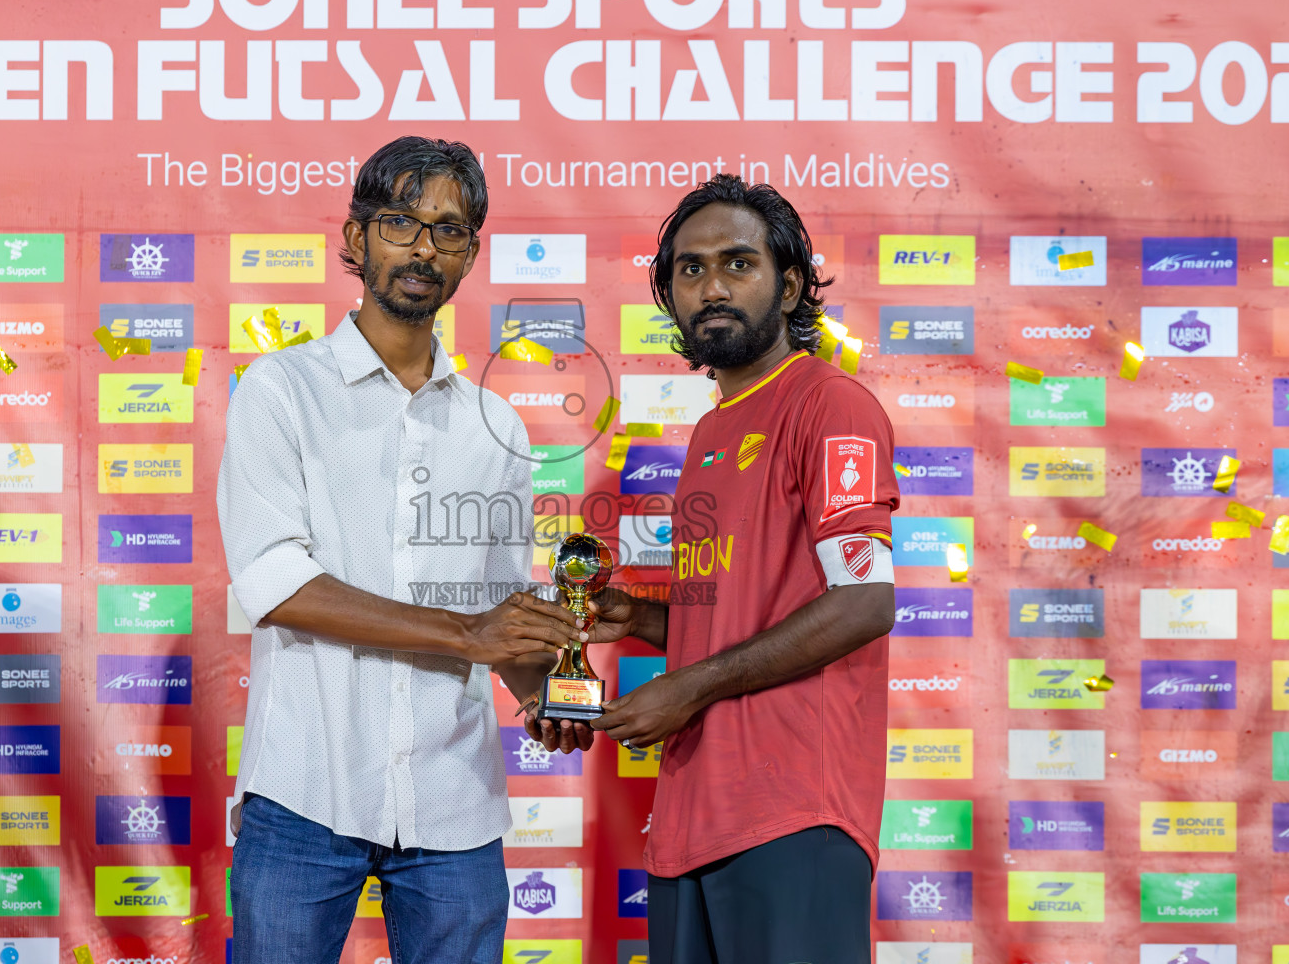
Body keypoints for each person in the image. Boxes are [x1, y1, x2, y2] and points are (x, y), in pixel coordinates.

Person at [219, 135, 588, 964]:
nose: (424, 247)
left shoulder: (495, 427)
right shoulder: (280, 391)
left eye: (449, 230)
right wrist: (468, 636)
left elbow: (501, 614)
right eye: (401, 222)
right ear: (356, 241)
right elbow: (277, 581)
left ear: (468, 257)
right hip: (304, 791)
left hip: (452, 799)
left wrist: (549, 693)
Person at [588, 175, 900, 963]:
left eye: (737, 263)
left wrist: (687, 687)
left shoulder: (830, 405)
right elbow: (745, 613)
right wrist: (645, 621)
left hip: (791, 815)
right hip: (694, 816)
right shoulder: (712, 432)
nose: (712, 286)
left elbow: (863, 601)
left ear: (789, 283)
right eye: (689, 271)